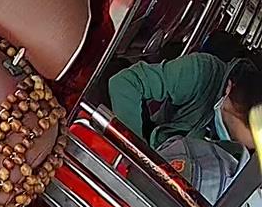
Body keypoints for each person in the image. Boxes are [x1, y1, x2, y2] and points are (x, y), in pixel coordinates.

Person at [107, 52, 262, 150]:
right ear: (229, 90)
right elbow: (126, 82)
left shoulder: (246, 159)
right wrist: (133, 150)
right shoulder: (202, 72)